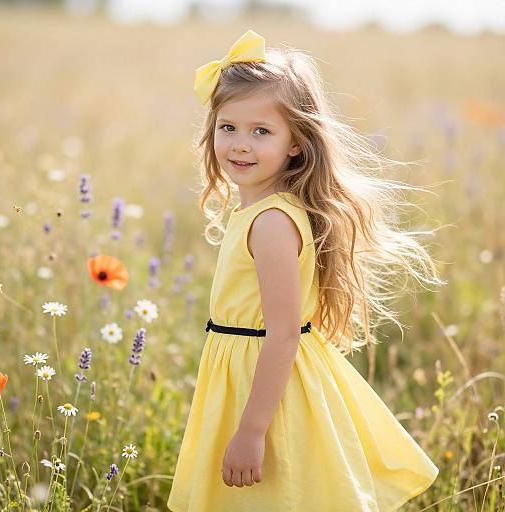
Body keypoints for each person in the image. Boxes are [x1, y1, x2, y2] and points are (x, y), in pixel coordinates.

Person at [167, 29, 444, 512]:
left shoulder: (272, 222)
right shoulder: (259, 211)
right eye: (227, 127)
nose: (240, 145)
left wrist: (252, 431)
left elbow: (282, 335)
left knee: (279, 494)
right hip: (247, 376)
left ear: (296, 143)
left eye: (262, 131)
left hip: (267, 386)